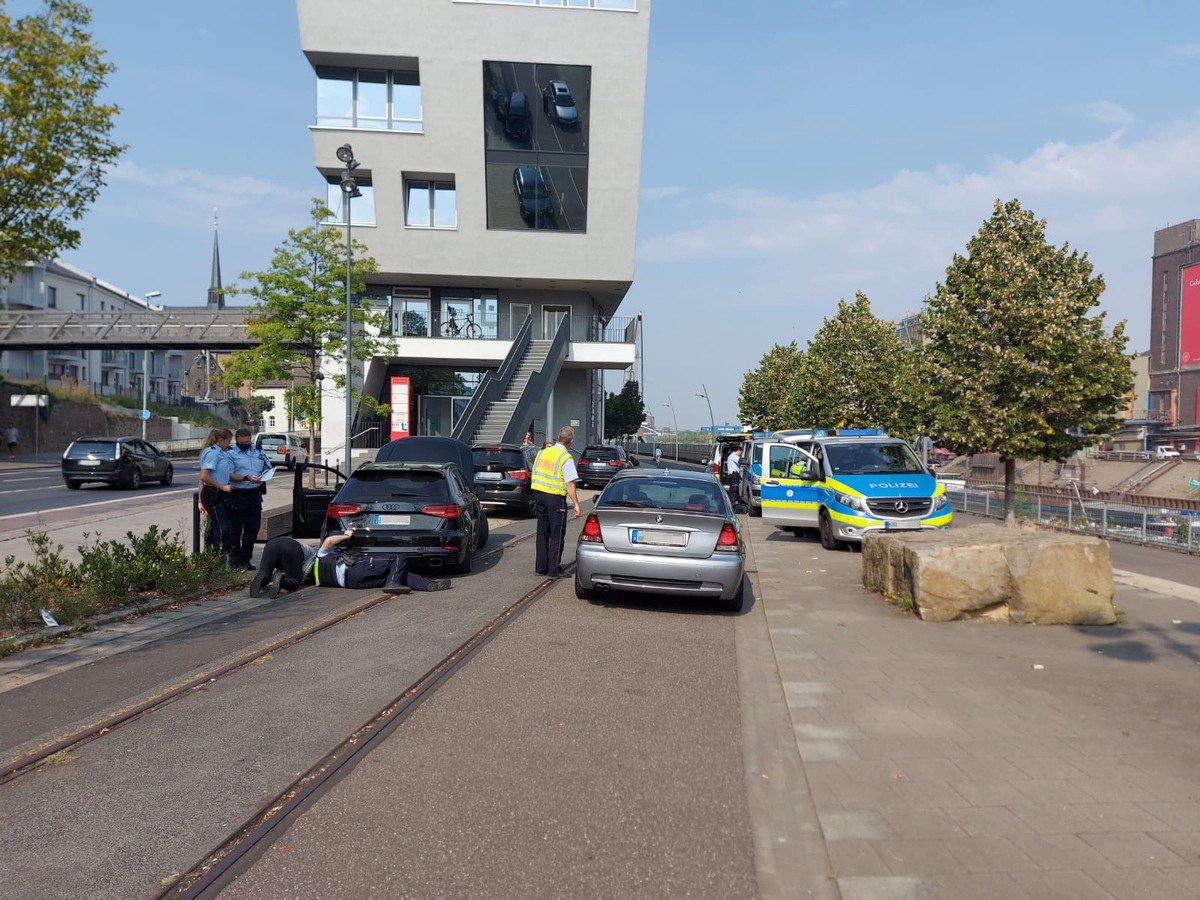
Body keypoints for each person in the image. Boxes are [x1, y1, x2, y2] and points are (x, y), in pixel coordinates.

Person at [249, 528, 452, 599]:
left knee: (395, 573)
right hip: (352, 577)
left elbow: (327, 542)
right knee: (397, 558)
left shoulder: (315, 564)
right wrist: (345, 536)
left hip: (347, 580)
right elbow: (328, 542)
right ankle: (396, 584)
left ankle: (428, 584)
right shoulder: (317, 555)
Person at [530, 425, 581, 577]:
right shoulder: (565, 457)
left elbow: (534, 472)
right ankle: (553, 570)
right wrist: (576, 504)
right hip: (555, 498)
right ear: (570, 441)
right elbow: (570, 483)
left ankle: (541, 568)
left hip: (539, 496)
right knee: (557, 533)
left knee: (542, 532)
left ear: (558, 438)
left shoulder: (542, 453)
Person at [227, 428, 273, 570]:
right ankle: (234, 560)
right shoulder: (230, 453)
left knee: (252, 529)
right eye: (242, 442)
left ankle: (246, 559)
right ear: (237, 440)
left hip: (254, 495)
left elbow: (268, 466)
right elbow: (228, 474)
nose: (245, 444)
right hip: (237, 494)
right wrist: (246, 477)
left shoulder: (258, 451)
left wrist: (265, 474)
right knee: (235, 530)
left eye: (248, 441)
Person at [198, 428, 235, 561]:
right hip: (214, 493)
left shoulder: (220, 453)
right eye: (228, 441)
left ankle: (212, 558)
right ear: (221, 440)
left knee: (217, 527)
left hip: (218, 493)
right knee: (221, 528)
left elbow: (217, 474)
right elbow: (204, 476)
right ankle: (215, 559)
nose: (229, 444)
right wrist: (222, 487)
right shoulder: (213, 453)